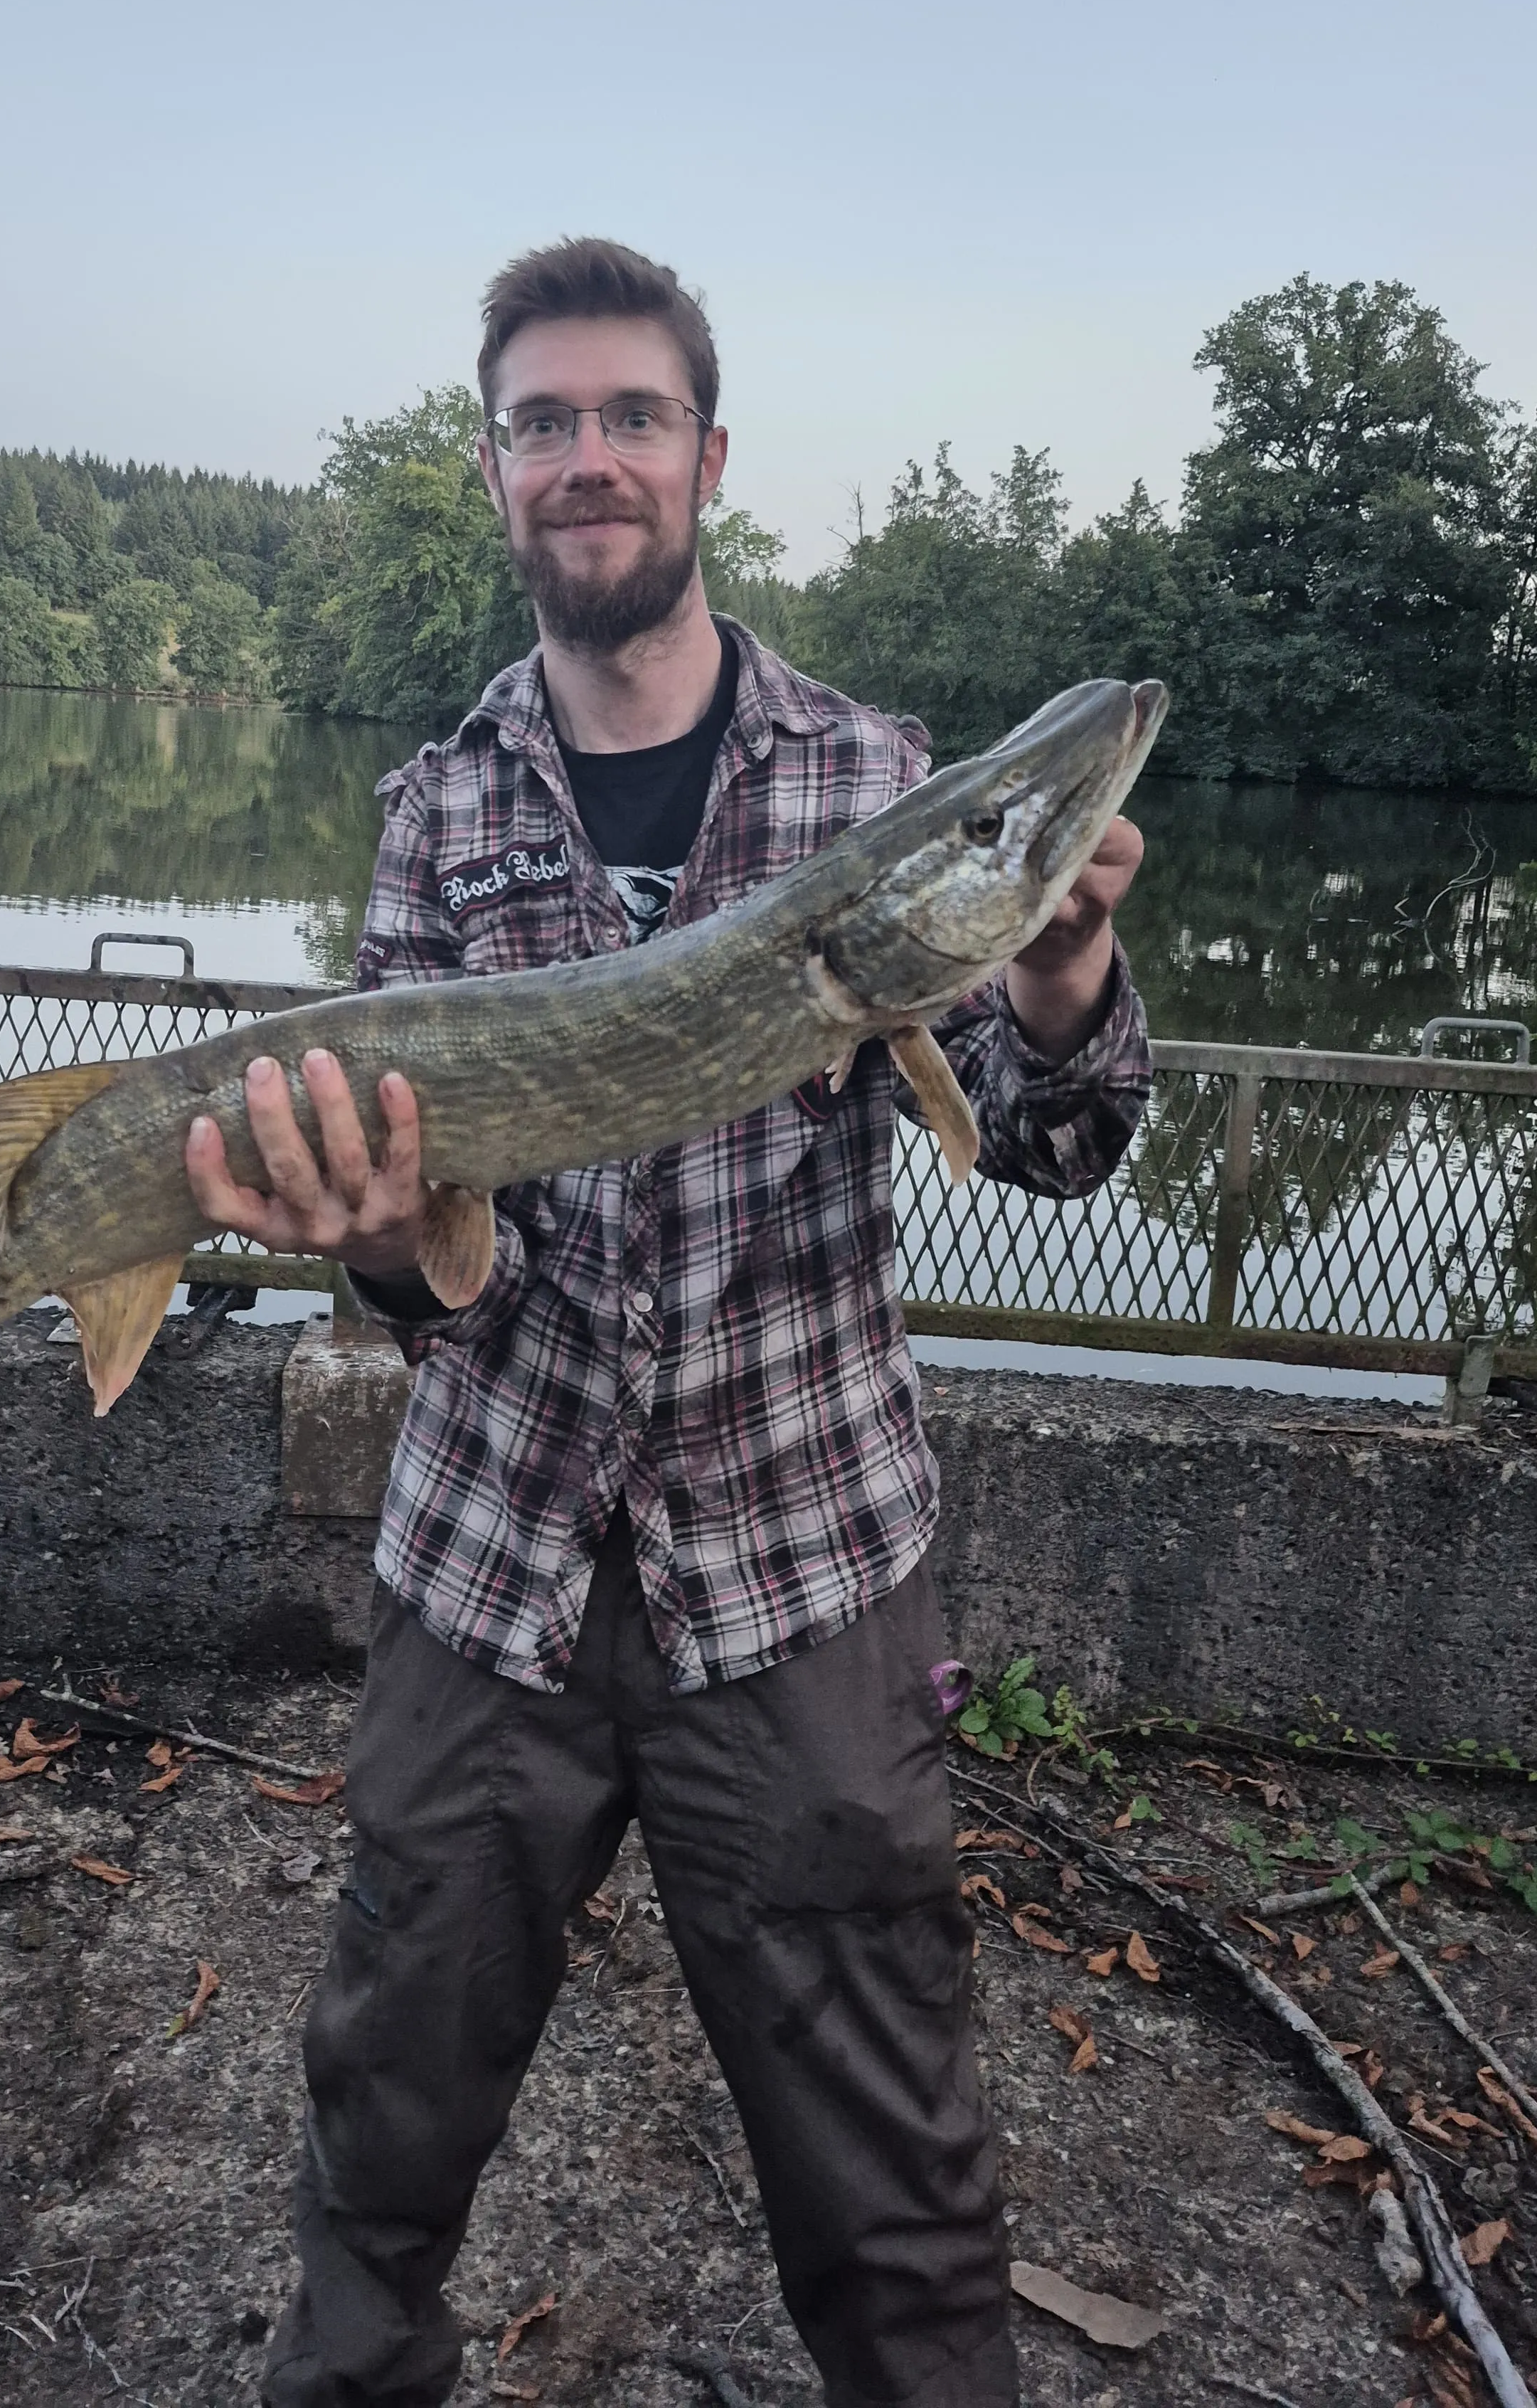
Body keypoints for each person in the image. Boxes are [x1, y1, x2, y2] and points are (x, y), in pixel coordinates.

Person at [186, 238, 1150, 2408]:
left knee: (901, 2217)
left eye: (632, 418)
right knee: (375, 2168)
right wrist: (378, 1239)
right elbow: (442, 1280)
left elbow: (1057, 1142)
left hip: (799, 1577)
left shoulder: (878, 783)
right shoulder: (435, 810)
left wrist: (1061, 981)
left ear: (709, 459)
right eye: (546, 422)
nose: (589, 459)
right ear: (498, 471)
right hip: (493, 1571)